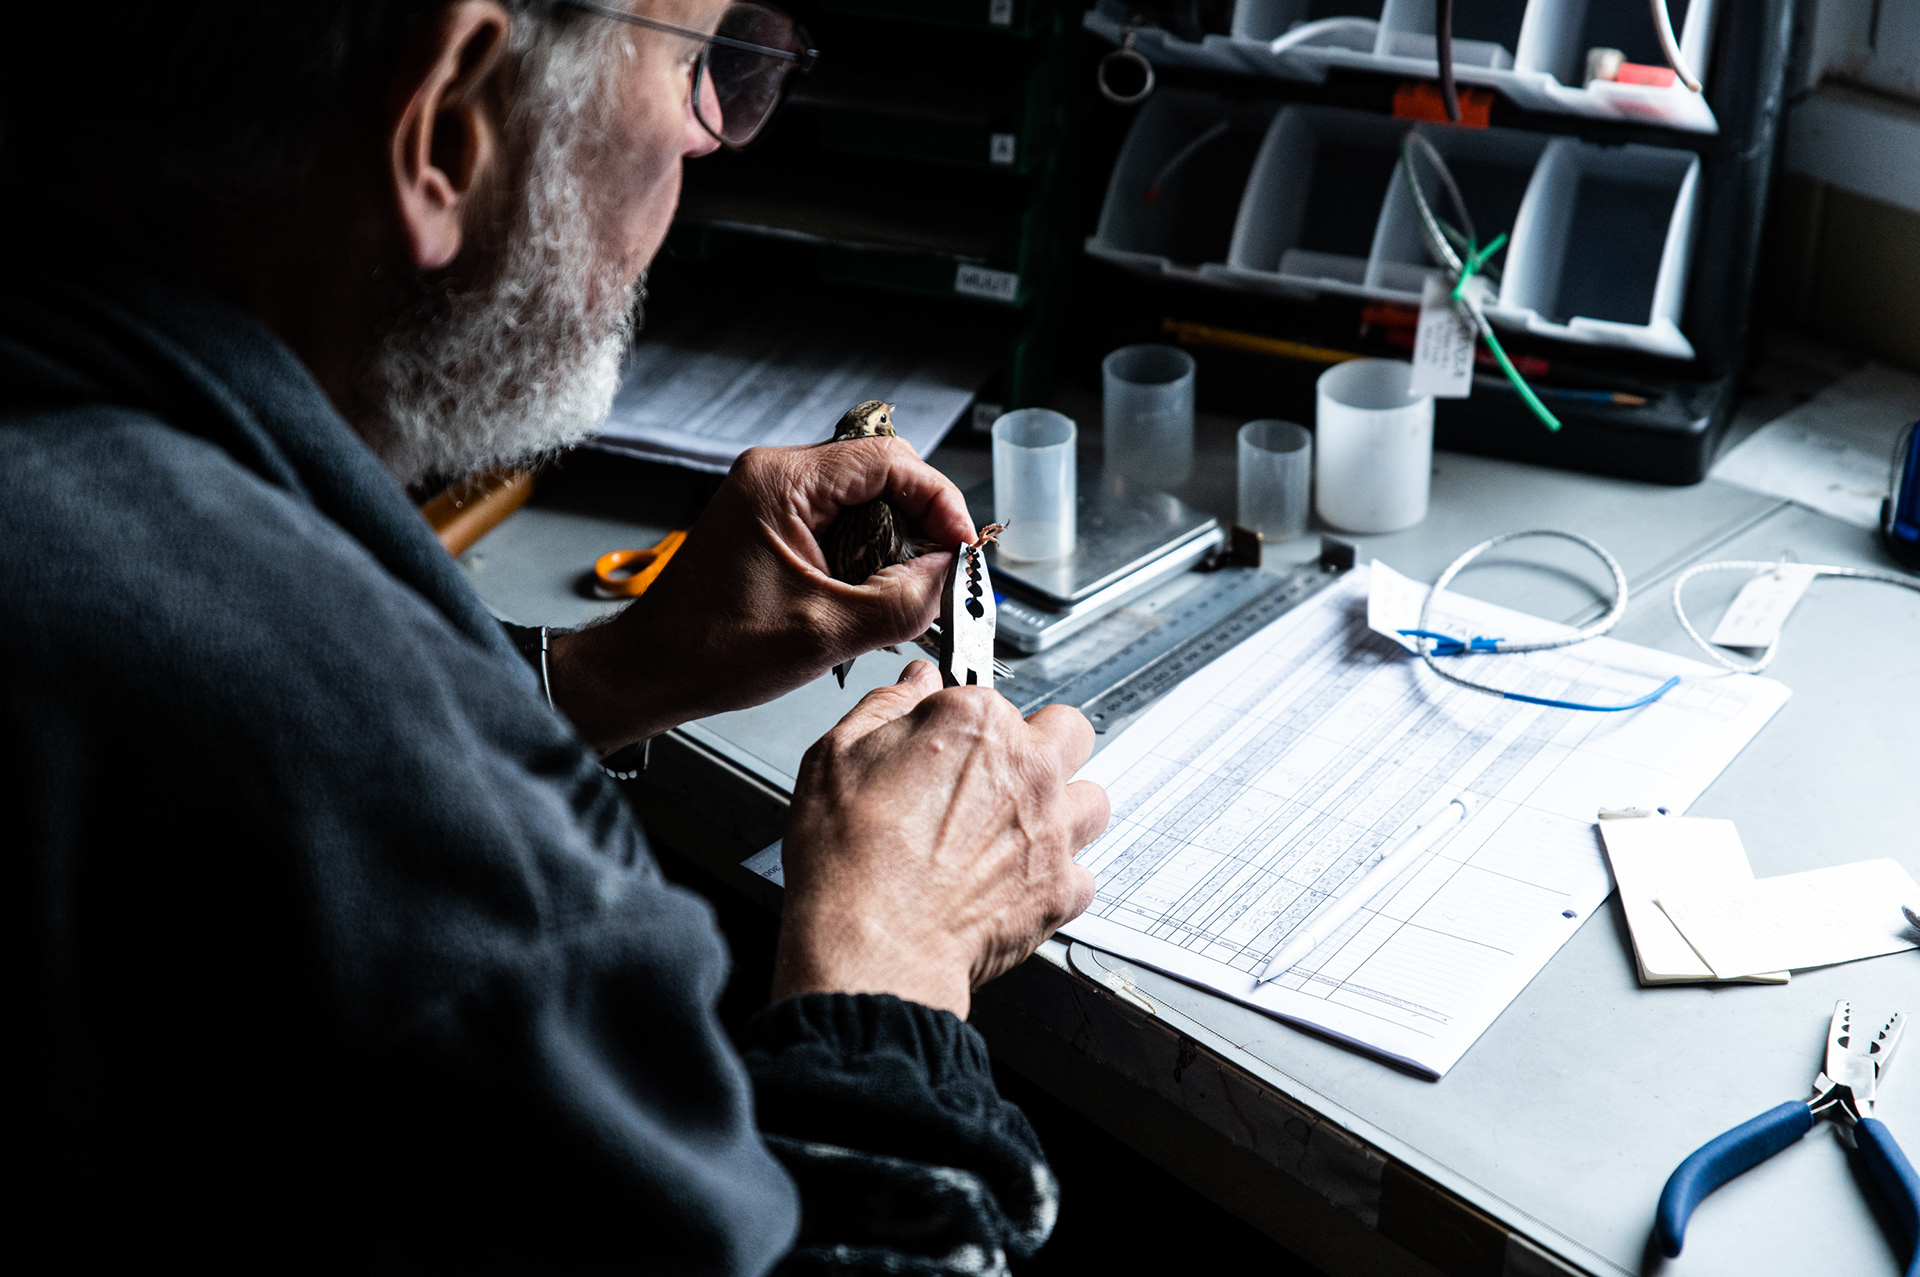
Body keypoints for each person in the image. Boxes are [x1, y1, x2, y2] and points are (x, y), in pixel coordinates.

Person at [0, 1, 1111, 1270]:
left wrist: (599, 676)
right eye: (703, 65)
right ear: (448, 127)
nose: (714, 140)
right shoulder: (414, 826)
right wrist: (894, 954)